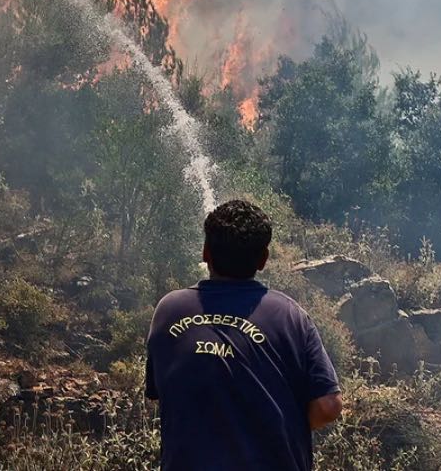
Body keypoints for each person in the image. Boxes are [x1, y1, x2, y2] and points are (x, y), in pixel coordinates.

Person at [145, 199, 342, 470]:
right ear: (263, 259)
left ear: (205, 252)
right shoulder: (289, 315)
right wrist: (273, 423)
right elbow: (328, 407)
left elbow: (165, 391)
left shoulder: (169, 310)